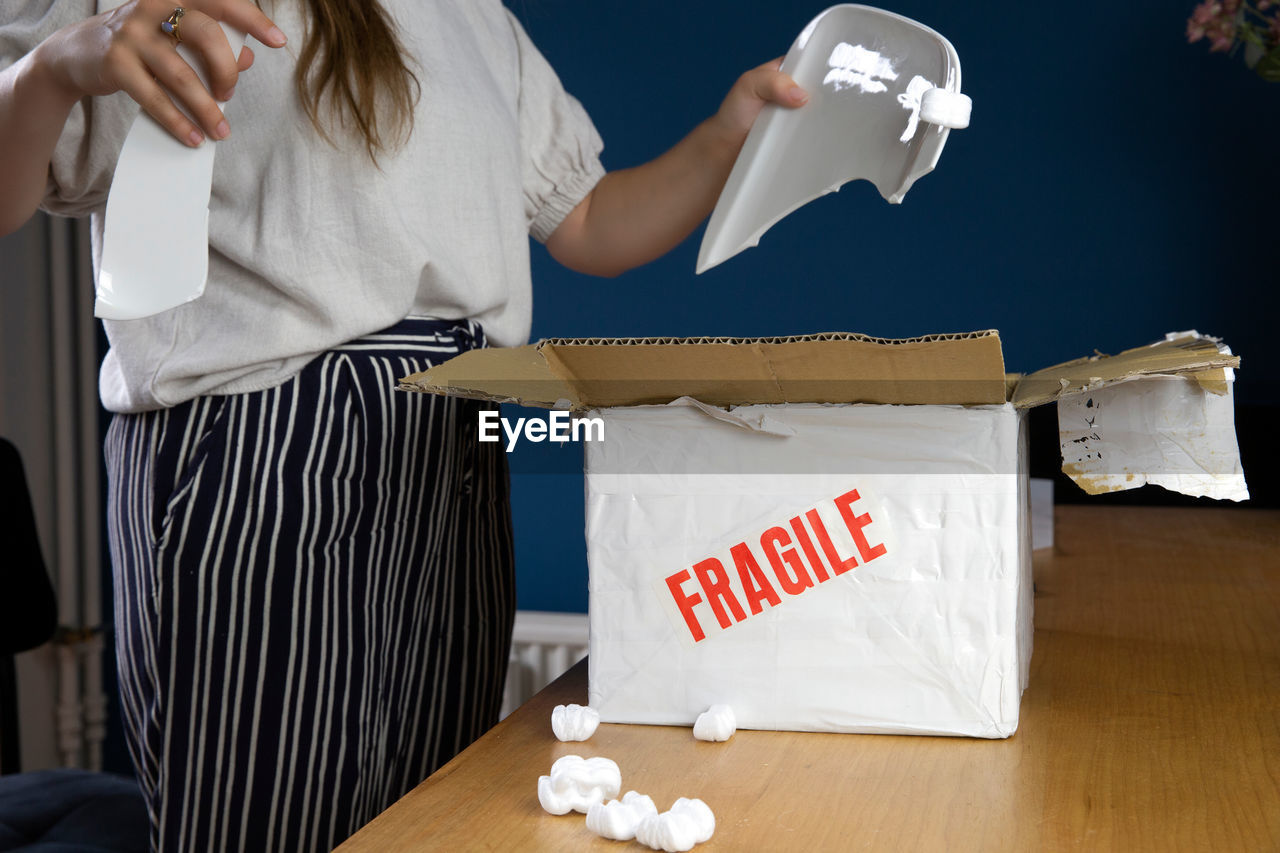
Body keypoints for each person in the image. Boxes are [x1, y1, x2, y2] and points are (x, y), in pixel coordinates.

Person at [0, 1, 806, 849]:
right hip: (262, 446)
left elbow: (590, 221)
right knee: (267, 825)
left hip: (455, 441)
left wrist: (730, 134)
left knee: (431, 822)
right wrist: (54, 67)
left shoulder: (472, 15)